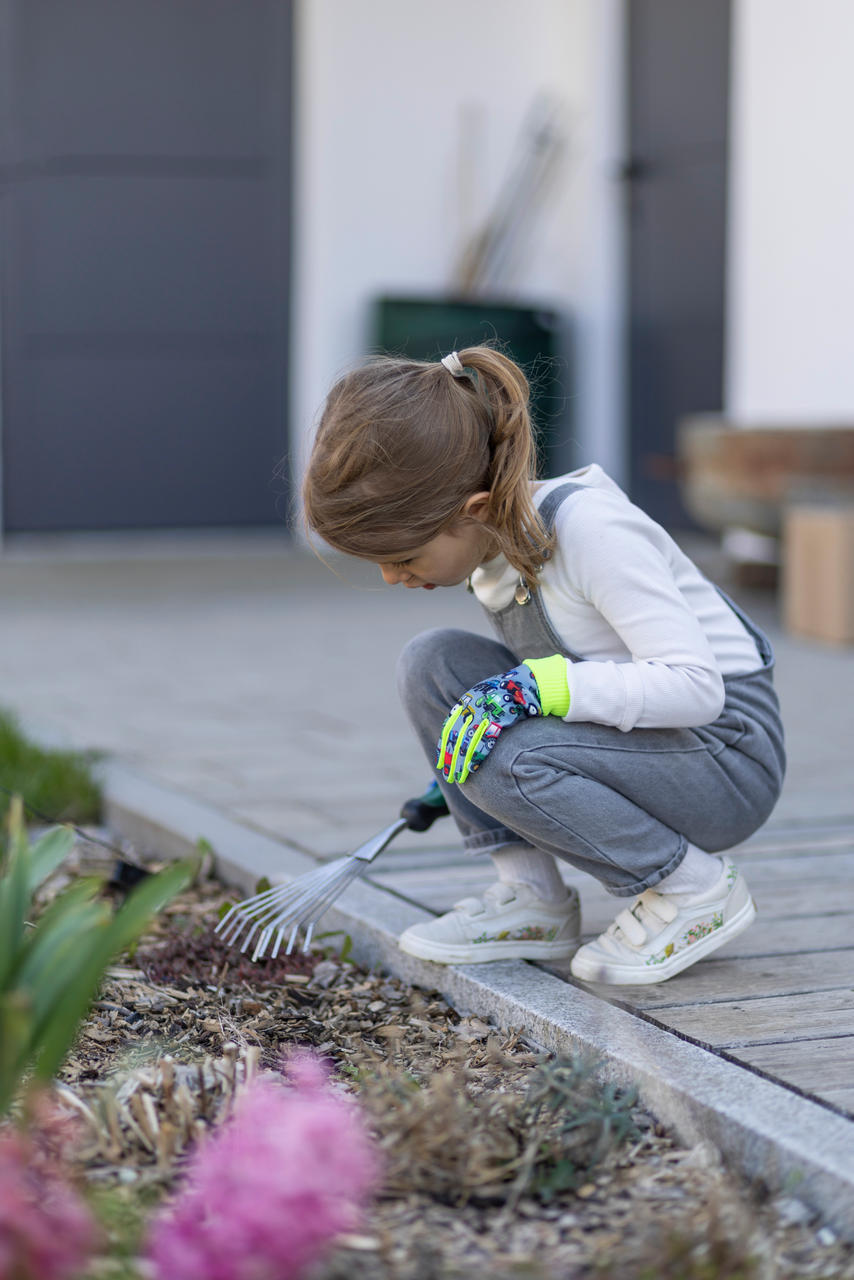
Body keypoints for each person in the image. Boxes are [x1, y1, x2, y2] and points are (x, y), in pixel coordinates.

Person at [302, 346, 785, 985]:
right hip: (652, 745)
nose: (393, 577)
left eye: (404, 556)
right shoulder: (492, 547)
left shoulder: (591, 532)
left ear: (471, 511)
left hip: (724, 760)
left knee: (506, 755)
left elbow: (697, 690)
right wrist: (468, 762)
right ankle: (533, 899)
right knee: (432, 664)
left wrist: (539, 691)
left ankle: (694, 890)